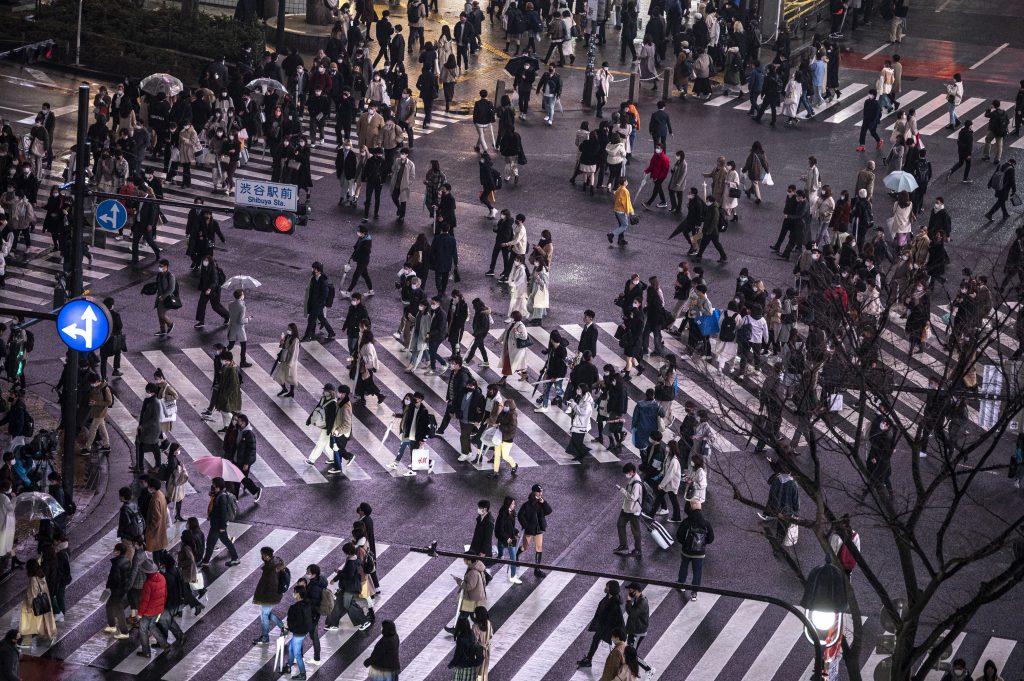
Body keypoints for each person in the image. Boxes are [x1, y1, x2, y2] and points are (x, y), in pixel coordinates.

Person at [576, 582, 624, 668]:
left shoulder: (614, 603)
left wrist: (607, 631)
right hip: (605, 627)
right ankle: (589, 659)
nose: (605, 588)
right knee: (596, 639)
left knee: (623, 648)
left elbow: (612, 619)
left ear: (611, 589)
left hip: (613, 630)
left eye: (607, 587)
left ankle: (630, 665)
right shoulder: (608, 597)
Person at [676, 502, 714, 600]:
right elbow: (711, 539)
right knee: (697, 572)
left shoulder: (686, 522)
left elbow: (679, 536)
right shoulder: (706, 523)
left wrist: (684, 544)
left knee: (684, 567)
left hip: (686, 551)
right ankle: (694, 593)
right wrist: (703, 544)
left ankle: (681, 584)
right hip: (699, 553)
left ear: (691, 509)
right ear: (701, 509)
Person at [200, 477, 240, 567]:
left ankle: (205, 561)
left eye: (213, 484)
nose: (212, 486)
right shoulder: (219, 494)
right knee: (226, 541)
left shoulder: (222, 497)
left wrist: (222, 527)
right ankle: (235, 558)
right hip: (218, 524)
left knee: (210, 543)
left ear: (217, 486)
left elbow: (223, 513)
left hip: (217, 525)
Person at [252, 546, 286, 645]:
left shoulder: (271, 569)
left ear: (267, 556)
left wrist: (263, 597)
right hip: (272, 595)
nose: (261, 557)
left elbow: (271, 585)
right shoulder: (274, 563)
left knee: (264, 616)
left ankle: (265, 637)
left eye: (262, 555)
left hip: (269, 596)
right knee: (267, 614)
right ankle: (283, 627)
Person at [282, 586, 312, 680]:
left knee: (297, 654)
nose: (293, 594)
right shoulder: (307, 604)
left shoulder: (296, 607)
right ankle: (288, 667)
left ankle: (303, 674)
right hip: (303, 631)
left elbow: (296, 621)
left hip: (298, 632)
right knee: (291, 649)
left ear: (298, 594)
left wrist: (288, 627)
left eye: (294, 592)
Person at [614, 463, 643, 557]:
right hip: (626, 508)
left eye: (627, 473)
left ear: (632, 472)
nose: (626, 475)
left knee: (635, 530)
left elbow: (634, 497)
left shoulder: (637, 483)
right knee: (620, 524)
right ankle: (623, 546)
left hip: (633, 510)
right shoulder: (632, 478)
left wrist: (622, 490)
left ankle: (638, 550)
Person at [302, 262, 335, 341]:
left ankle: (307, 336)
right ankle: (331, 332)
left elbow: (325, 294)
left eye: (314, 269)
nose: (312, 270)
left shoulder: (323, 280)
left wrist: (319, 303)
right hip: (314, 303)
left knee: (311, 320)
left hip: (318, 304)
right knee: (321, 318)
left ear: (319, 270)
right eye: (313, 268)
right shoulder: (314, 278)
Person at [495, 496, 522, 584]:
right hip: (507, 539)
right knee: (509, 557)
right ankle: (513, 576)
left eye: (514, 503)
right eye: (512, 504)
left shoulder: (511, 513)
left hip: (508, 538)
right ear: (508, 504)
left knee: (510, 556)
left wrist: (515, 532)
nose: (514, 505)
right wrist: (507, 538)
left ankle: (513, 575)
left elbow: (510, 527)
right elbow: (500, 529)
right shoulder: (503, 515)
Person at [447, 615, 480, 680]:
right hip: (471, 666)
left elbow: (458, 654)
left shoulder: (461, 638)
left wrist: (451, 664)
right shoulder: (472, 634)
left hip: (462, 666)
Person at [624, 583, 650, 652]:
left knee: (632, 652)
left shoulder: (642, 601)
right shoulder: (637, 599)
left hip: (638, 632)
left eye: (631, 590)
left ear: (637, 591)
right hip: (634, 630)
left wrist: (629, 601)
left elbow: (632, 614)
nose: (629, 592)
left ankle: (634, 662)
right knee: (629, 651)